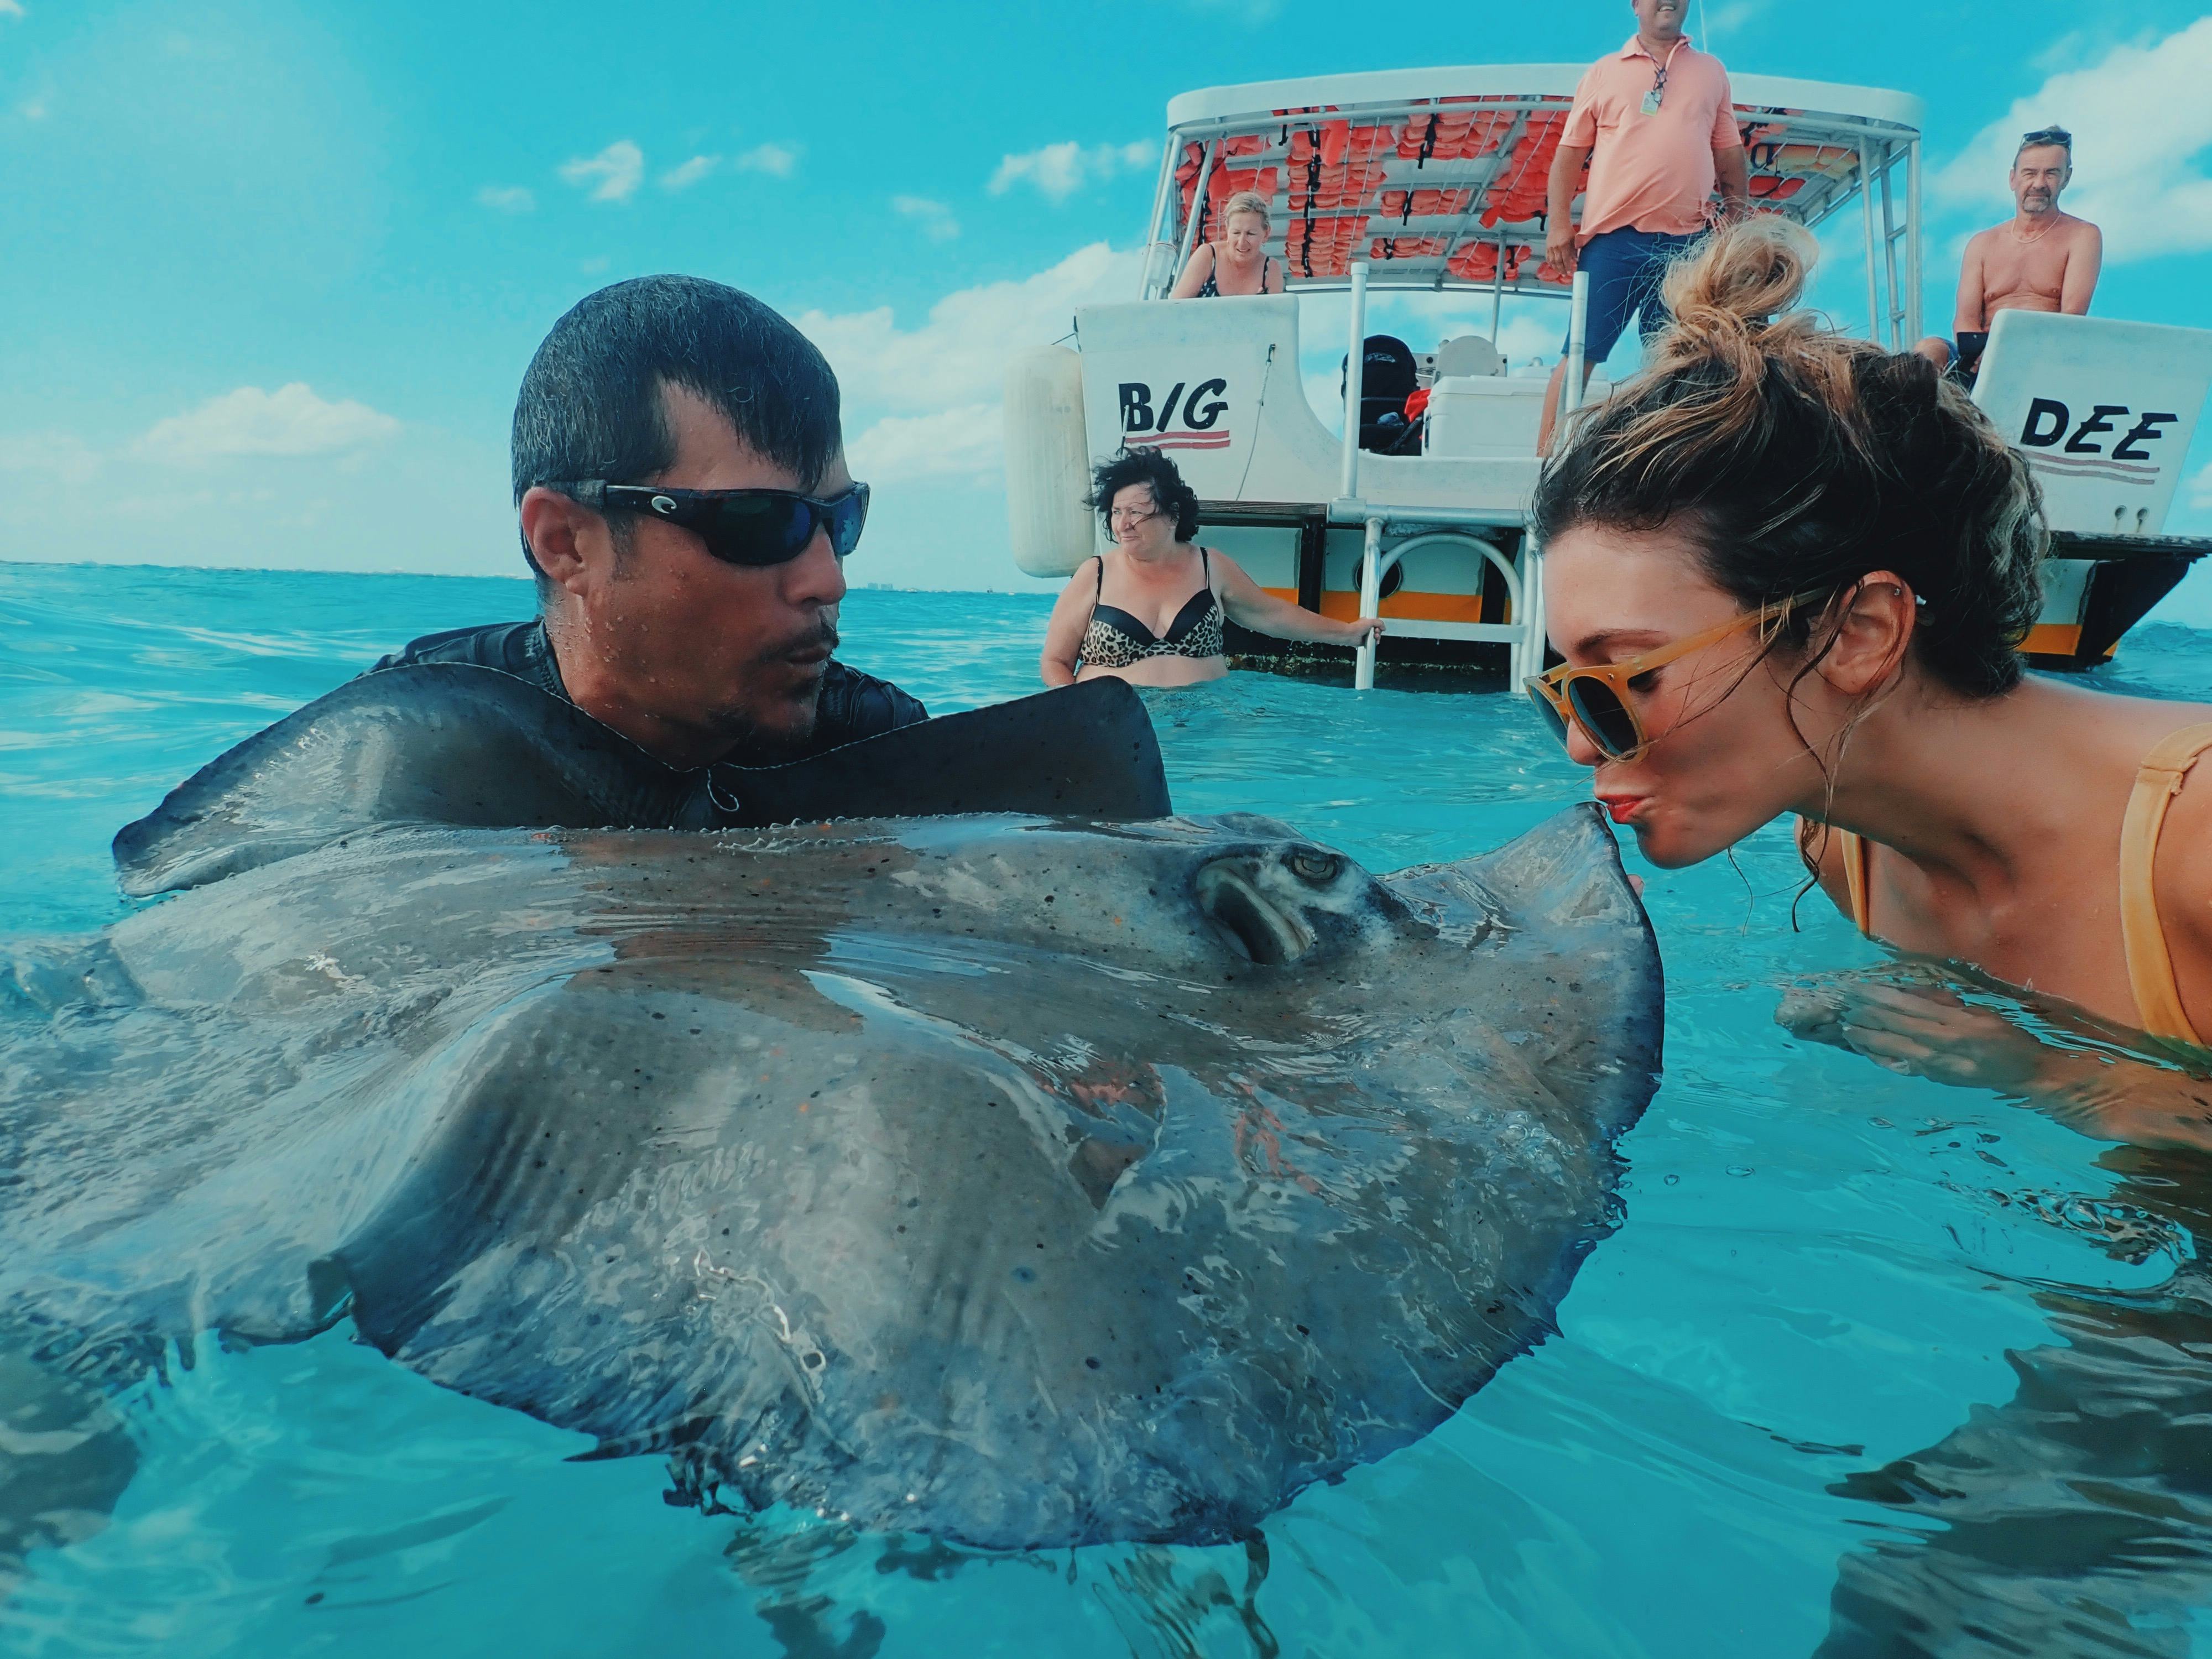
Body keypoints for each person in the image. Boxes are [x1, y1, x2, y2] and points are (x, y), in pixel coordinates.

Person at [1526, 216, 2212, 1059]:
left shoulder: (2198, 848)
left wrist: (2053, 1078)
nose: (1577, 746)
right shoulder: (1845, 849)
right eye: (1559, 686)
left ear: (1861, 633)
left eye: (1626, 676)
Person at [371, 274, 925, 770]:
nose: (830, 582)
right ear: (566, 543)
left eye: (842, 518)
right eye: (760, 522)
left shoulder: (880, 749)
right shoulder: (403, 739)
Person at [1537, 0, 1750, 451]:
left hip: (1689, 246)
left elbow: (1728, 149)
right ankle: (1542, 462)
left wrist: (1736, 209)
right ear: (1635, 4)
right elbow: (1569, 154)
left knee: (1678, 364)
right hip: (1613, 241)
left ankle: (1664, 470)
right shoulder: (1604, 71)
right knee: (1580, 356)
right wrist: (1559, 225)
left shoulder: (1712, 71)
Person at [1039, 448, 1380, 688]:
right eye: (1116, 512)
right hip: (1114, 726)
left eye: (1136, 512)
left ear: (1172, 515)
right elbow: (1055, 662)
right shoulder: (1094, 574)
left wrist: (1346, 634)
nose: (1123, 524)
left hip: (1205, 722)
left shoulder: (1210, 566)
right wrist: (1076, 711)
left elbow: (1273, 615)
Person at [1915, 126, 2101, 384]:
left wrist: (2011, 351)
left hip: (2045, 353)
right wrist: (1981, 354)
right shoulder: (1982, 243)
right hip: (1981, 356)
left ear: (2066, 179)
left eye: (2051, 174)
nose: (2039, 184)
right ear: (2013, 179)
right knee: (1928, 350)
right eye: (2030, 173)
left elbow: (2071, 315)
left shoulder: (2082, 235)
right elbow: (1966, 318)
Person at [1168, 191, 1286, 299]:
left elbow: (1276, 319)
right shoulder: (1208, 256)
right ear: (1227, 229)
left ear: (1266, 234)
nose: (1242, 242)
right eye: (1236, 233)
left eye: (1251, 234)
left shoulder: (1271, 269)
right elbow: (1176, 308)